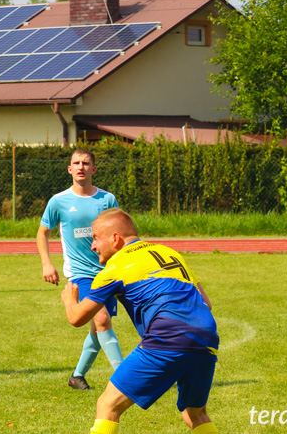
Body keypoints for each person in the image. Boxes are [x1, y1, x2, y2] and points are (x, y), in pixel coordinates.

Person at [61, 208, 218, 434]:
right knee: (195, 412)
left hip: (167, 337)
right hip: (206, 337)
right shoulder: (170, 254)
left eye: (95, 238)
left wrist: (69, 299)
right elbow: (207, 304)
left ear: (115, 238)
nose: (92, 246)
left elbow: (76, 318)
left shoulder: (114, 268)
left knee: (108, 405)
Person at [37, 148, 123, 390]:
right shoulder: (59, 201)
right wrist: (46, 263)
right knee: (102, 318)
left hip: (108, 272)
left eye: (86, 163)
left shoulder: (107, 199)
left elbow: (119, 234)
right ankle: (126, 378)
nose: (81, 167)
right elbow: (43, 232)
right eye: (76, 163)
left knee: (98, 329)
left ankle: (77, 377)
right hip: (80, 274)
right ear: (69, 169)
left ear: (93, 169)